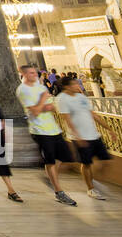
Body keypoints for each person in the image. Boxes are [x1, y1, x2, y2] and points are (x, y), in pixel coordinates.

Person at [15, 63, 77, 206]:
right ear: (23, 74)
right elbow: (35, 112)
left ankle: (50, 176)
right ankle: (59, 192)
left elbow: (51, 107)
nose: (34, 75)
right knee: (50, 161)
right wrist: (42, 100)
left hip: (54, 129)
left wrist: (41, 104)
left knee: (64, 157)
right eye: (30, 73)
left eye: (35, 72)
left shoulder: (41, 87)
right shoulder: (22, 90)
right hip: (39, 130)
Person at [56, 75, 111, 199]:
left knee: (105, 161)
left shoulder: (81, 97)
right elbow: (67, 119)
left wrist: (109, 129)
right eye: (75, 84)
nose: (78, 86)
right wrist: (77, 135)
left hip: (93, 134)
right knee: (86, 163)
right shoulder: (62, 99)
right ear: (67, 87)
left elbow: (93, 114)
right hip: (79, 136)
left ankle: (93, 179)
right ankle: (90, 188)